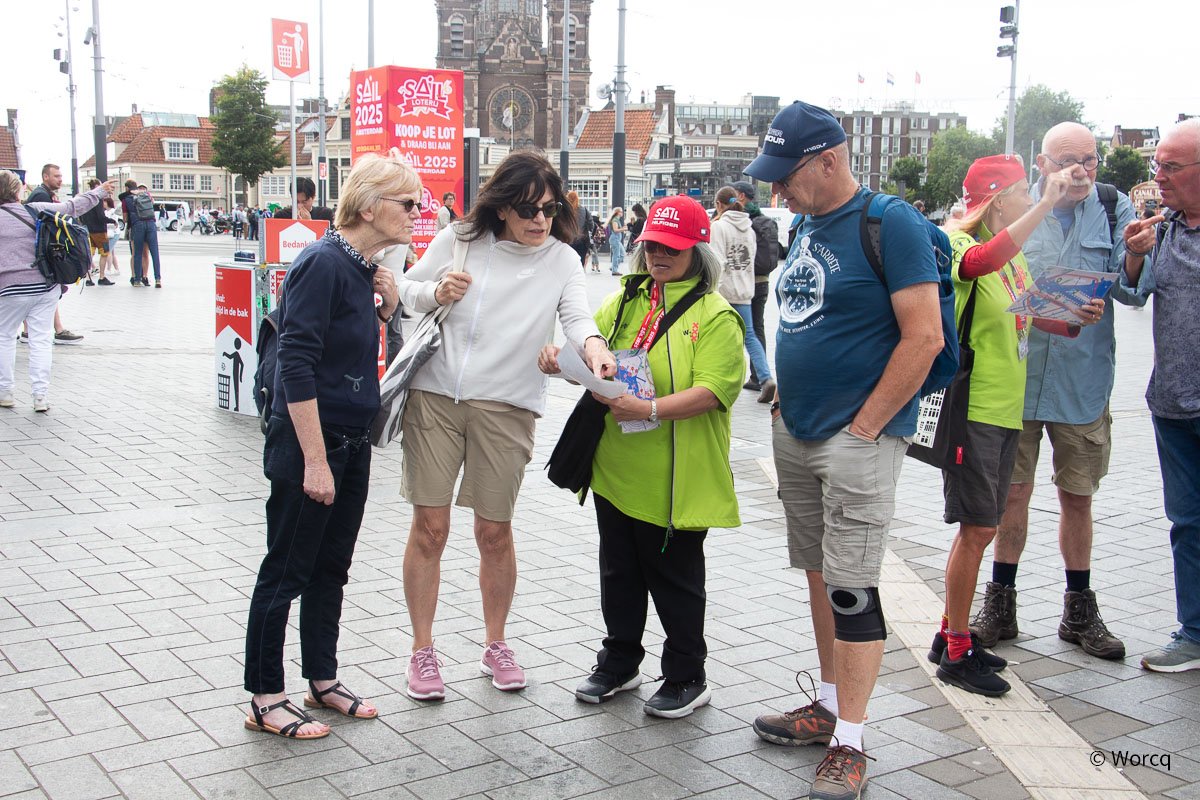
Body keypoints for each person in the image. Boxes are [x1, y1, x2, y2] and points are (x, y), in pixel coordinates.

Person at [743, 101, 943, 800]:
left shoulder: (893, 223)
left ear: (829, 160)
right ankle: (827, 703)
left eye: (785, 176)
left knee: (852, 587)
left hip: (856, 437)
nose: (777, 192)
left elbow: (925, 337)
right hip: (798, 428)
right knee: (819, 575)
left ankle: (851, 742)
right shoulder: (804, 224)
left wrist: (867, 426)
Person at [395, 151, 616, 701]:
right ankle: (423, 650)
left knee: (493, 531)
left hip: (508, 406)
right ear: (502, 207)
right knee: (431, 528)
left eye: (548, 208)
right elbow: (404, 291)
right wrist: (437, 290)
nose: (538, 219)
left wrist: (591, 346)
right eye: (525, 209)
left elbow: (578, 317)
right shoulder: (460, 239)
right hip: (436, 395)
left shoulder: (562, 259)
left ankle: (496, 642)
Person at [539, 195, 744, 718]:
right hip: (616, 468)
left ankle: (686, 674)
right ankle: (620, 660)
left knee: (676, 582)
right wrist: (564, 362)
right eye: (652, 243)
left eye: (672, 247)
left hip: (675, 480)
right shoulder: (630, 298)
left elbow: (715, 391)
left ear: (699, 250)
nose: (659, 254)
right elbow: (596, 350)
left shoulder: (714, 314)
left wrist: (646, 407)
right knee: (619, 574)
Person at [242, 153, 408, 740]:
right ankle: (265, 696)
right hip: (313, 442)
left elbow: (353, 352)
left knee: (330, 568)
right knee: (285, 570)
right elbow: (296, 364)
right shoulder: (322, 262)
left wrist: (386, 307)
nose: (417, 213)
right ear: (368, 206)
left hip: (350, 440)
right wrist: (315, 459)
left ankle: (322, 676)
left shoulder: (360, 267)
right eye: (407, 203)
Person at [972, 122, 1146, 661]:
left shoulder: (1114, 208)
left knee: (1078, 496)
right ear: (1042, 163)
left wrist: (1137, 254)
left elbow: (1130, 289)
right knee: (1012, 494)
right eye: (1068, 159)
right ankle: (1000, 603)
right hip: (1018, 379)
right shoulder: (1024, 208)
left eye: (1090, 159)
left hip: (1082, 379)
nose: (1081, 170)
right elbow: (987, 274)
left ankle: (1079, 609)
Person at [935, 155, 1104, 698]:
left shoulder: (1014, 259)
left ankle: (950, 632)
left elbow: (1025, 314)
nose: (1031, 201)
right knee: (978, 528)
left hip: (1007, 410)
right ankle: (957, 647)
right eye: (1022, 195)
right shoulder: (959, 245)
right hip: (976, 409)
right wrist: (1049, 204)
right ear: (997, 200)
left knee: (983, 524)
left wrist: (1075, 315)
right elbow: (980, 262)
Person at [1120, 118, 1200, 673]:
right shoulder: (1164, 228)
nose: (1159, 179)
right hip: (1172, 405)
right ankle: (1193, 634)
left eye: (1170, 168)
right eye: (1158, 167)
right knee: (1187, 522)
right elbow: (1132, 293)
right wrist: (1132, 253)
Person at [0, 171, 112, 411]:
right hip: (44, 285)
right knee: (41, 340)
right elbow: (72, 207)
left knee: (4, 338)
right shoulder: (36, 209)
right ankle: (40, 396)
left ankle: (5, 393)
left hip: (8, 288)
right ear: (17, 190)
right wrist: (99, 192)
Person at [712, 186, 775, 404]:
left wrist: (713, 292)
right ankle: (766, 378)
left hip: (724, 292)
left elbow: (718, 261)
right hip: (745, 291)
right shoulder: (749, 228)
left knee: (720, 338)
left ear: (719, 205)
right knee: (750, 336)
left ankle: (721, 382)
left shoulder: (719, 227)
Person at [730, 180, 779, 395]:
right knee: (756, 328)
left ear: (740, 196)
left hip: (741, 285)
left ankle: (737, 376)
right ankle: (760, 376)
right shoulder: (764, 220)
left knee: (737, 331)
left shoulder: (738, 221)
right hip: (763, 281)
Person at [122, 184, 162, 288]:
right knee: (154, 253)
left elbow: (125, 219)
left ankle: (137, 280)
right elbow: (152, 205)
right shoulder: (147, 195)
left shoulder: (126, 199)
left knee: (137, 254)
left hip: (137, 225)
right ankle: (158, 279)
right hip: (151, 224)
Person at [80, 179, 111, 286]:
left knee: (90, 254)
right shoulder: (98, 199)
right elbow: (101, 217)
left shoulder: (86, 199)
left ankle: (89, 279)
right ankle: (102, 277)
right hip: (100, 231)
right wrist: (112, 221)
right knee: (105, 253)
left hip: (88, 231)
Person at [566, 190, 592, 268]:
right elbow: (591, 224)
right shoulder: (584, 210)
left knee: (568, 262)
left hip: (568, 241)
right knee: (580, 263)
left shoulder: (565, 210)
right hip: (582, 241)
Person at [606, 207, 626, 275]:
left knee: (622, 254)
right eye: (621, 212)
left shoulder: (617, 220)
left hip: (617, 239)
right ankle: (614, 270)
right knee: (616, 255)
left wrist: (623, 228)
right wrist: (623, 229)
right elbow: (615, 230)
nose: (622, 213)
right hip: (615, 239)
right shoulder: (615, 220)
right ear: (618, 212)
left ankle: (613, 267)